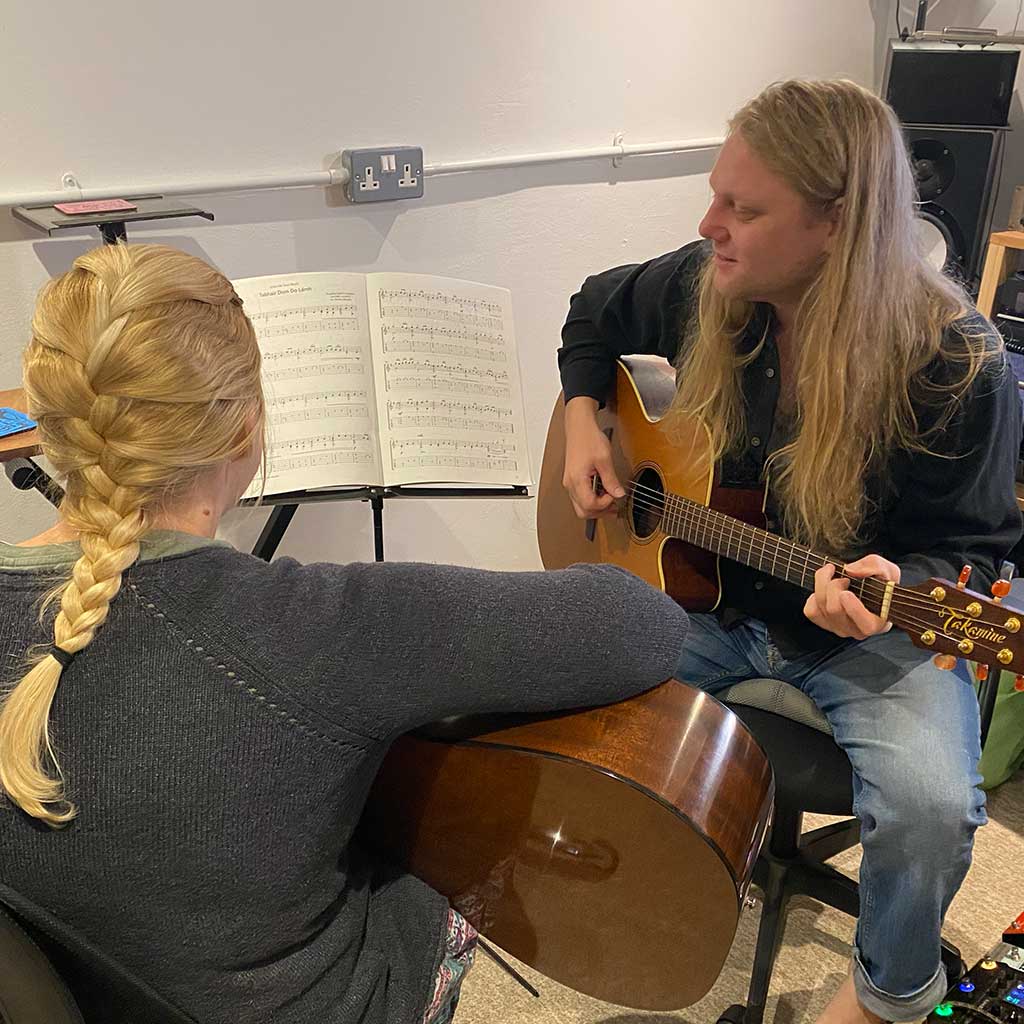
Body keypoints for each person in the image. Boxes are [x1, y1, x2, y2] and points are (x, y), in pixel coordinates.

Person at [0, 242, 690, 1024]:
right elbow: (643, 625)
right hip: (327, 1005)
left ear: (48, 424)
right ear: (245, 429)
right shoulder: (318, 624)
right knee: (445, 834)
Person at [557, 78, 1022, 1024]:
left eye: (744, 208)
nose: (709, 224)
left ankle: (890, 995)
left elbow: (973, 547)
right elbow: (593, 310)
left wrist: (902, 582)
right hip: (712, 603)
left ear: (836, 225)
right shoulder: (710, 286)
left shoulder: (954, 362)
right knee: (556, 668)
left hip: (869, 635)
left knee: (931, 809)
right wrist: (581, 423)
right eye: (716, 196)